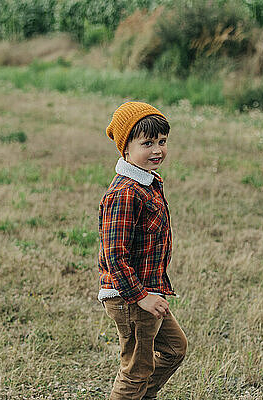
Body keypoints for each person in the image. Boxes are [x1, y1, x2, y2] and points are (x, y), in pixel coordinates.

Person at [97, 101, 188, 399]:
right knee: (136, 369)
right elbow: (114, 257)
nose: (157, 150)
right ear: (125, 148)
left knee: (174, 349)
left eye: (162, 142)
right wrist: (141, 296)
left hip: (147, 291)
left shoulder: (148, 183)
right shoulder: (124, 193)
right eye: (147, 143)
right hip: (130, 296)